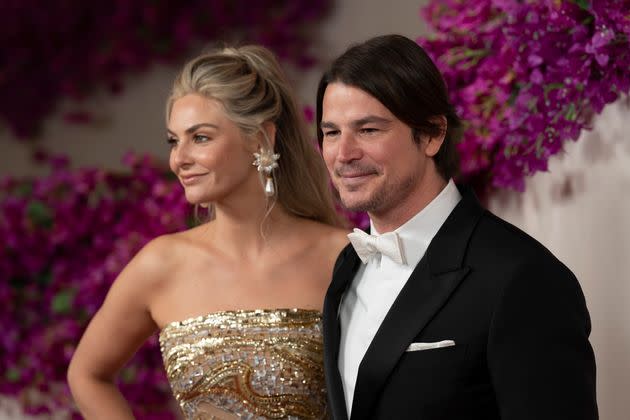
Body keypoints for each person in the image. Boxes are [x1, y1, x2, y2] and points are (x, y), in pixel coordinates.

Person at [317, 34, 598, 420]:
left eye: (368, 130)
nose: (343, 154)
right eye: (332, 132)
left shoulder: (523, 278)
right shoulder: (348, 267)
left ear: (432, 133)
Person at [67, 44, 349, 419]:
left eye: (200, 137)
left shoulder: (340, 257)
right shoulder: (161, 263)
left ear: (261, 138)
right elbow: (87, 374)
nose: (179, 159)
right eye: (173, 140)